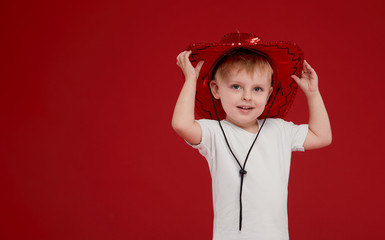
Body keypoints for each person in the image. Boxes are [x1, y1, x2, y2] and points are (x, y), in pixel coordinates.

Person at [172, 33, 332, 240]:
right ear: (216, 89)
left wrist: (313, 94)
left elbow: (322, 136)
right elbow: (181, 124)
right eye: (236, 87)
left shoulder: (279, 130)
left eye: (257, 89)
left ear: (269, 94)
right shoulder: (214, 132)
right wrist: (190, 80)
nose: (247, 96)